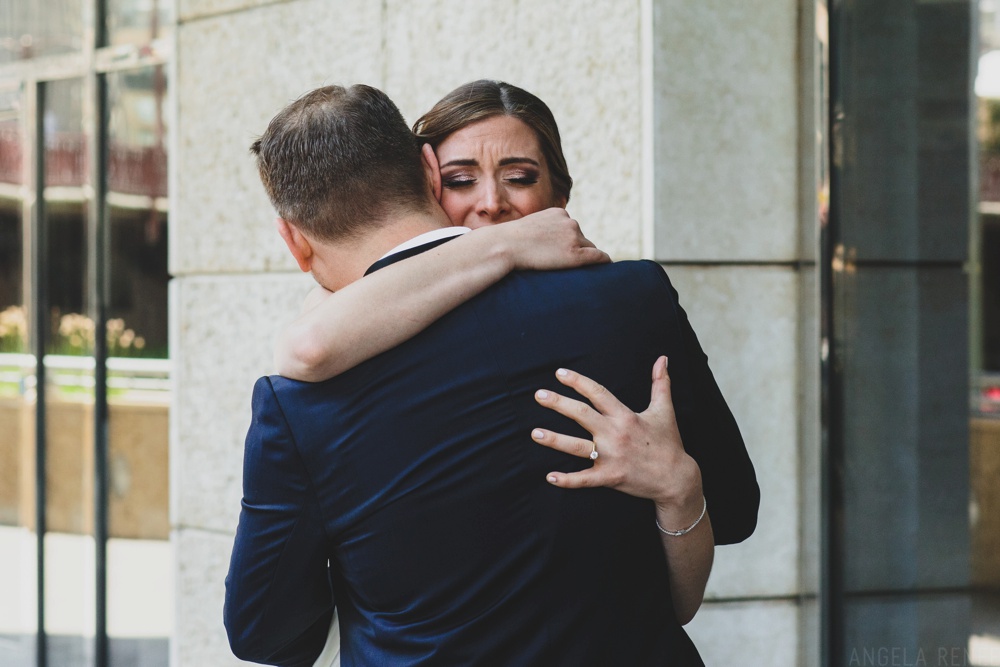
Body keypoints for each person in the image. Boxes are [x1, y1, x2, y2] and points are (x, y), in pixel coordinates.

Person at [225, 83, 758, 666]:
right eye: (461, 179)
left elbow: (265, 634)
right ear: (429, 173)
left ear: (294, 242)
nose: (491, 206)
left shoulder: (299, 405)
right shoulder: (635, 298)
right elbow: (731, 510)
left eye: (519, 176)